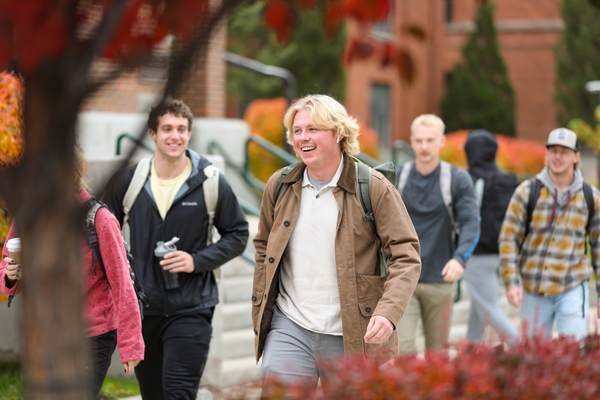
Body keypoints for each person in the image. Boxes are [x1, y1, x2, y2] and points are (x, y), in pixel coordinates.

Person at [252, 94, 421, 396]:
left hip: (354, 333)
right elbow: (263, 246)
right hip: (290, 326)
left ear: (338, 133)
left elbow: (406, 255)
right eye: (298, 130)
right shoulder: (280, 186)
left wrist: (388, 311)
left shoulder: (373, 187)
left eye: (313, 129)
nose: (303, 138)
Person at [104, 99, 249, 400]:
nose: (175, 135)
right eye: (167, 128)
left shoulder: (209, 182)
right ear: (153, 134)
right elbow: (104, 234)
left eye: (182, 129)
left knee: (178, 392)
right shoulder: (129, 181)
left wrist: (195, 260)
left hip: (192, 307)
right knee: (153, 394)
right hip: (143, 308)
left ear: (190, 133)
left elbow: (237, 234)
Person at [0, 147, 144, 398]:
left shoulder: (99, 219)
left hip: (93, 335)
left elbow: (123, 283)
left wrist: (130, 344)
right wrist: (11, 274)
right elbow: (7, 268)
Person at [499, 128, 600, 340]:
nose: (557, 156)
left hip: (572, 285)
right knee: (533, 357)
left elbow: (598, 247)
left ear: (576, 156)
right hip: (533, 288)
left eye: (564, 151)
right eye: (553, 150)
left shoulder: (592, 198)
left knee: (574, 354)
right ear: (547, 154)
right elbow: (509, 239)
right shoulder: (527, 192)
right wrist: (511, 281)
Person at [395, 114, 479, 354]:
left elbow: (471, 221)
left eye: (430, 141)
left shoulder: (457, 179)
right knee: (403, 351)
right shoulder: (398, 177)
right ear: (411, 141)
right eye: (419, 141)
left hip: (441, 278)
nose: (424, 147)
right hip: (403, 279)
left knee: (438, 354)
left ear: (441, 141)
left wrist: (460, 258)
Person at [463, 130, 519, 344]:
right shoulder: (508, 179)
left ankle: (522, 346)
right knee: (479, 309)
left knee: (488, 308)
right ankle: (469, 352)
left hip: (477, 255)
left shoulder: (471, 179)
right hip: (503, 254)